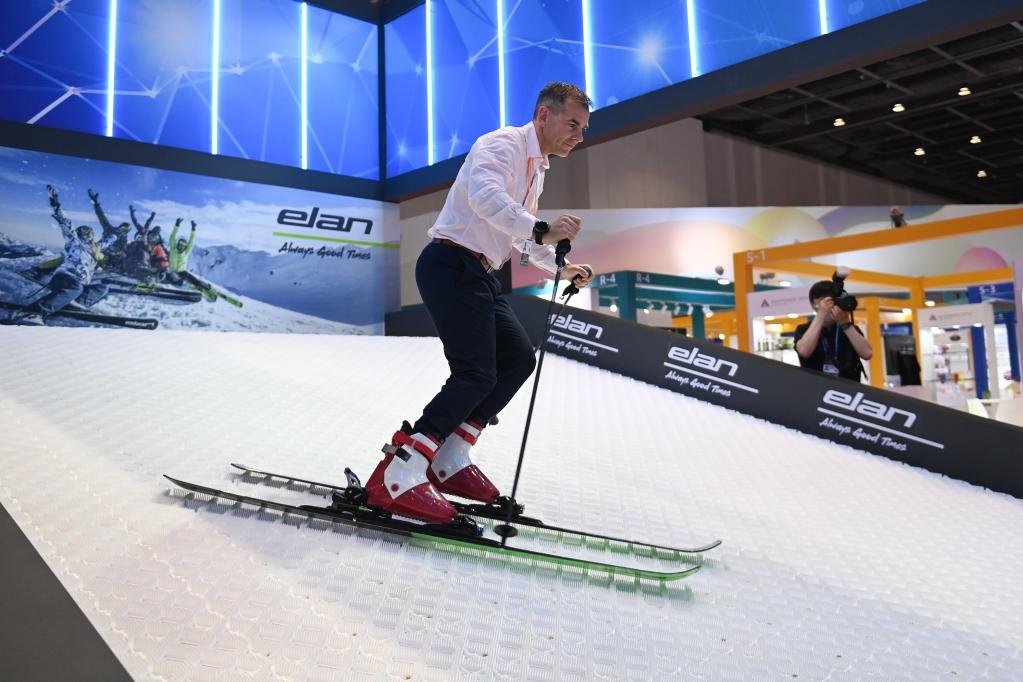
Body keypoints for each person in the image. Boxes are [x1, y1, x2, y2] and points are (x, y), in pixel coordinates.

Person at [363, 82, 595, 524]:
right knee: (475, 374)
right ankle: (400, 470)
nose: (578, 136)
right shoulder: (503, 145)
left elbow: (517, 234)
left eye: (583, 129)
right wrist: (542, 229)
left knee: (518, 359)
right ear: (543, 115)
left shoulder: (537, 169)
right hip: (450, 263)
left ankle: (449, 457)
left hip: (480, 272)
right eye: (572, 124)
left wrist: (562, 268)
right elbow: (485, 199)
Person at [19, 186, 117, 322]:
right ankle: (33, 312)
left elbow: (108, 240)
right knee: (76, 287)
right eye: (82, 232)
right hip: (63, 279)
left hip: (78, 285)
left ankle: (74, 303)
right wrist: (56, 205)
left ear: (92, 235)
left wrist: (116, 234)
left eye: (87, 232)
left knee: (102, 288)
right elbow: (66, 223)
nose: (85, 234)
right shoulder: (74, 242)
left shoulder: (95, 248)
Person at [794, 280, 873, 381]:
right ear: (813, 305)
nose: (830, 307)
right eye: (825, 302)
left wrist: (845, 323)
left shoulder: (848, 328)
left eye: (833, 301)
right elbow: (804, 351)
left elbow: (867, 354)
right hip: (815, 387)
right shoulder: (803, 329)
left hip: (848, 387)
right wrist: (821, 314)